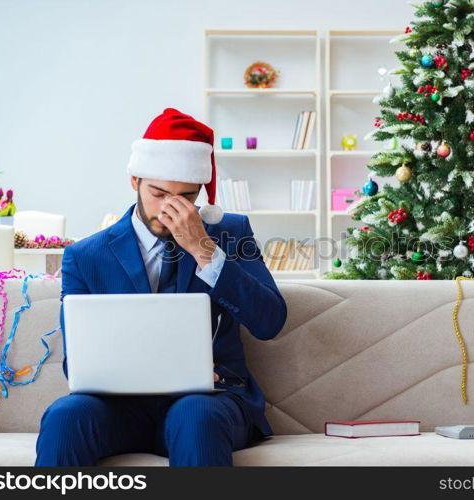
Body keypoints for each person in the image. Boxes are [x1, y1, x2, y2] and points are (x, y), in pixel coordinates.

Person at [34, 108, 288, 466]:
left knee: (195, 418)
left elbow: (270, 321)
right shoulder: (85, 255)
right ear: (134, 180)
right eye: (158, 193)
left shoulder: (229, 233)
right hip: (119, 407)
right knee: (65, 416)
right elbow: (76, 362)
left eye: (186, 196)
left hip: (207, 401)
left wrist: (205, 251)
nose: (170, 209)